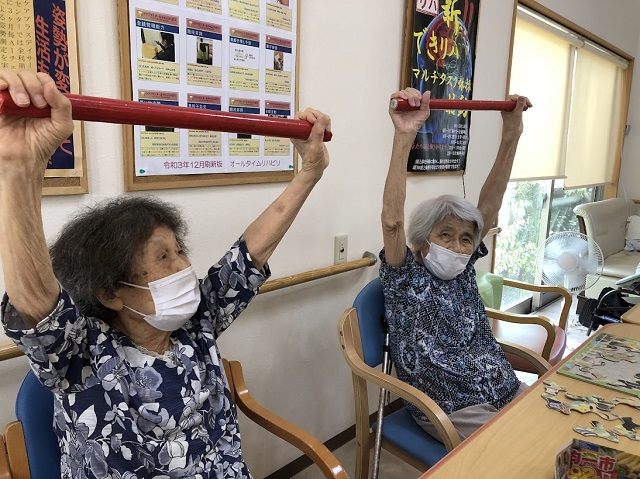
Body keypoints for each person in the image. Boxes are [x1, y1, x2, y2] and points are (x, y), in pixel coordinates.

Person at [0, 69, 330, 478]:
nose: (183, 267)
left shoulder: (197, 324)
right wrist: (20, 170)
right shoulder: (82, 358)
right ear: (110, 292)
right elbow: (37, 305)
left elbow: (251, 253)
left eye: (180, 252)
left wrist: (310, 172)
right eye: (162, 257)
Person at [379, 87, 532, 441]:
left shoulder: (463, 269)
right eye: (445, 234)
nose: (457, 246)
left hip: (501, 386)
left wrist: (512, 133)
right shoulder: (405, 275)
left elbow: (490, 203)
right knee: (520, 451)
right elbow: (391, 221)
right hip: (450, 405)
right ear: (422, 239)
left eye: (465, 238)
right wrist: (404, 136)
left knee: (551, 431)